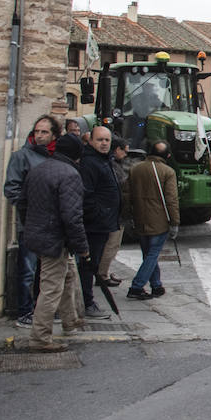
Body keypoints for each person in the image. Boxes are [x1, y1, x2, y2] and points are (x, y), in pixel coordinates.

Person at [22, 133, 90, 352]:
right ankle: (40, 337)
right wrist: (83, 248)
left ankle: (71, 321)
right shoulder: (70, 174)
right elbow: (72, 216)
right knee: (51, 287)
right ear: (76, 154)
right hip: (55, 238)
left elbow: (23, 203)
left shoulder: (39, 169)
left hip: (38, 234)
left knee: (68, 275)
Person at [3, 114, 61, 326]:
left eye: (44, 132)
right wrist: (28, 210)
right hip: (29, 224)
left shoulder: (56, 157)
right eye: (37, 131)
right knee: (28, 270)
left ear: (54, 134)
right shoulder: (22, 156)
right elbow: (12, 188)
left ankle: (43, 310)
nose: (39, 135)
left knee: (46, 272)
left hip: (52, 224)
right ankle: (25, 312)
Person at [124, 139, 179, 300]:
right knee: (152, 254)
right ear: (168, 155)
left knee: (148, 253)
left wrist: (128, 215)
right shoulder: (168, 172)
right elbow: (172, 199)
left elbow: (127, 195)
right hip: (159, 221)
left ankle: (156, 285)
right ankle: (137, 286)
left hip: (140, 218)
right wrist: (175, 222)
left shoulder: (135, 169)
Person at [76, 125, 119, 319]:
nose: (104, 143)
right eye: (100, 140)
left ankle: (86, 300)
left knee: (91, 264)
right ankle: (87, 302)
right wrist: (99, 214)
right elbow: (87, 195)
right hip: (94, 225)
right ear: (91, 141)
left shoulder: (103, 160)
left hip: (102, 223)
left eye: (107, 140)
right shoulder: (90, 163)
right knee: (88, 265)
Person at [94, 136, 130, 289]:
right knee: (111, 245)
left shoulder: (109, 164)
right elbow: (122, 187)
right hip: (114, 213)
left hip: (113, 212)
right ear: (117, 150)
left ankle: (103, 273)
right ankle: (102, 275)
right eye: (124, 151)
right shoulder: (113, 166)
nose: (126, 154)